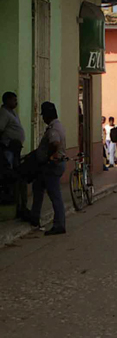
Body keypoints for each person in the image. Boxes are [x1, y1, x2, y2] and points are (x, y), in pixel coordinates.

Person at [29, 102, 67, 235]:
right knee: (38, 187)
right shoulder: (58, 125)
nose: (42, 118)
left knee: (55, 195)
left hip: (52, 165)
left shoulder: (53, 129)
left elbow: (55, 143)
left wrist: (47, 157)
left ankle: (59, 224)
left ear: (47, 115)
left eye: (43, 115)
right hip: (50, 166)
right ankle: (35, 216)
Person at [0, 91, 27, 219]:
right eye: (13, 100)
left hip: (15, 149)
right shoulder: (4, 113)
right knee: (10, 174)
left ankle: (19, 204)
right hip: (8, 149)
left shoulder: (12, 112)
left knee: (17, 173)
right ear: (7, 101)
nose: (16, 102)